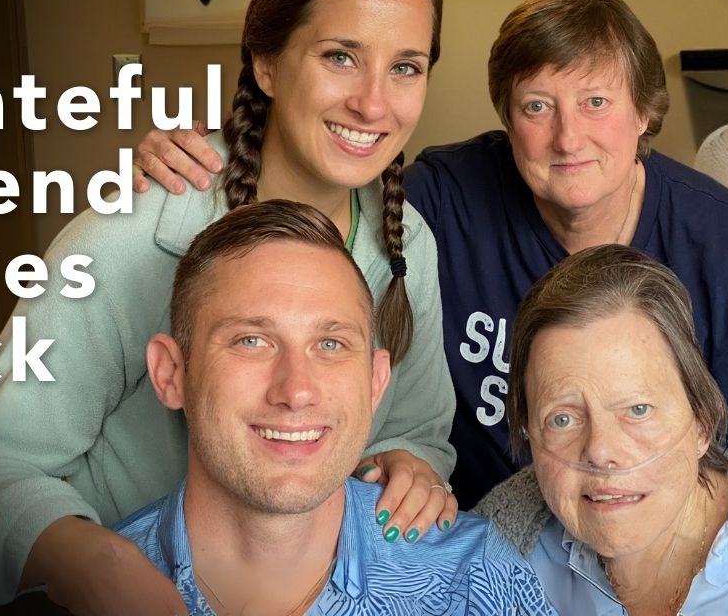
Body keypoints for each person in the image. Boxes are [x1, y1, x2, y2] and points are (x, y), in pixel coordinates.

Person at [0, 0, 458, 613]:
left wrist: (409, 463)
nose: (373, 103)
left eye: (405, 66)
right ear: (267, 63)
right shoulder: (133, 236)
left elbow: (416, 427)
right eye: (341, 56)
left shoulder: (409, 245)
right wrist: (88, 559)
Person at [130, 0, 728, 508]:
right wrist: (202, 164)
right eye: (537, 107)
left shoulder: (727, 243)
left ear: (646, 111)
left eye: (596, 102)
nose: (568, 138)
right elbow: (312, 211)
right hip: (471, 525)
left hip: (645, 523)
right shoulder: (444, 198)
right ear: (508, 120)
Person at [116, 198, 557, 615]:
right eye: (251, 340)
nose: (296, 390)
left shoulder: (476, 583)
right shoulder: (77, 594)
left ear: (375, 382)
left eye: (330, 344)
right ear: (170, 373)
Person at [475, 244, 728, 616]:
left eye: (638, 409)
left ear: (702, 421)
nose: (600, 452)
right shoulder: (493, 556)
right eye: (562, 419)